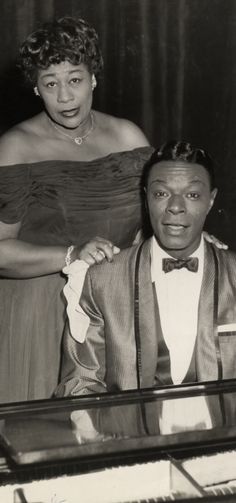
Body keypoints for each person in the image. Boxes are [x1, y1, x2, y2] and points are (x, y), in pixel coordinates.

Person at [0, 16, 153, 403]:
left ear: (93, 78)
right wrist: (70, 255)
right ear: (37, 89)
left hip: (114, 306)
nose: (65, 97)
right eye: (50, 84)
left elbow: (149, 229)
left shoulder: (129, 137)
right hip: (43, 312)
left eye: (75, 79)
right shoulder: (16, 147)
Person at [56, 140, 236, 398]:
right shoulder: (101, 279)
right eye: (161, 193)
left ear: (211, 200)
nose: (175, 206)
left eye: (192, 195)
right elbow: (79, 383)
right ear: (146, 198)